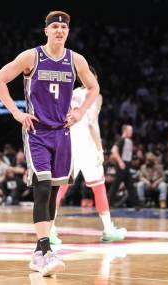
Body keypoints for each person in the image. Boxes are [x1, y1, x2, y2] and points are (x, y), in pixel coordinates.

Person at [0, 10, 99, 277]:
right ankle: (46, 250)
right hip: (37, 132)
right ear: (46, 31)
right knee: (41, 188)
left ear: (67, 32)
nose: (60, 31)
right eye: (55, 27)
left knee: (52, 193)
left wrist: (80, 111)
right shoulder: (32, 57)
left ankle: (39, 253)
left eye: (64, 27)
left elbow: (94, 88)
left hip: (62, 133)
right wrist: (17, 112)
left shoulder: (76, 60)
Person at [50, 66, 126, 245]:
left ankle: (50, 230)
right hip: (87, 145)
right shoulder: (95, 94)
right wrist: (100, 149)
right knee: (98, 188)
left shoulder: (72, 92)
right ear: (95, 77)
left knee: (60, 188)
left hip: (69, 142)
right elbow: (91, 124)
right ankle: (108, 229)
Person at [109, 124, 140, 207]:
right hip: (122, 165)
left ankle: (136, 204)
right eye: (130, 130)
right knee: (116, 185)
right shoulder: (122, 139)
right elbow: (114, 150)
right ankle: (108, 203)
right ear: (125, 131)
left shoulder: (128, 141)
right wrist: (120, 162)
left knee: (130, 185)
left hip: (127, 164)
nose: (132, 132)